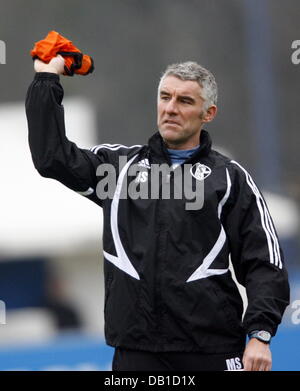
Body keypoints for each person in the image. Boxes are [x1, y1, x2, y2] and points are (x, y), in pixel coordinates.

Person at [26, 56, 290, 371]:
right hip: (136, 352)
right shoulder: (119, 170)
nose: (171, 108)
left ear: (209, 113)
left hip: (210, 351)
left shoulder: (230, 178)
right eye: (165, 97)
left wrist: (260, 333)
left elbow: (264, 262)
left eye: (185, 100)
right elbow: (51, 158)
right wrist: (46, 80)